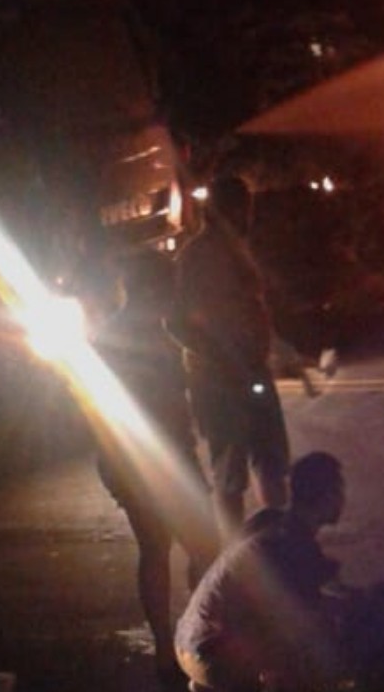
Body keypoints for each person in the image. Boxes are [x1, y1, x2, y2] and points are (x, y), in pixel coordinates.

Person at [92, 250, 219, 688]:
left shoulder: (115, 335)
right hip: (157, 459)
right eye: (169, 288)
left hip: (128, 459)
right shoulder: (147, 337)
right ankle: (191, 639)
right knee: (201, 546)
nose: (175, 296)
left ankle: (169, 647)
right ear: (151, 289)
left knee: (156, 549)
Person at [167, 175, 291, 541]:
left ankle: (275, 542)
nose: (248, 215)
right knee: (231, 473)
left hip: (251, 371)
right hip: (218, 381)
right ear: (227, 210)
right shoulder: (195, 257)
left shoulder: (237, 251)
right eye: (242, 207)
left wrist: (273, 347)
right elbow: (176, 322)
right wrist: (218, 358)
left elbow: (253, 309)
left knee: (270, 461)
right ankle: (237, 556)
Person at [174, 451, 353, 692]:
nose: (343, 498)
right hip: (210, 655)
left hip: (189, 639)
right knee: (318, 644)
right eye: (339, 491)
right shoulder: (292, 545)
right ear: (327, 497)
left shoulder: (270, 519)